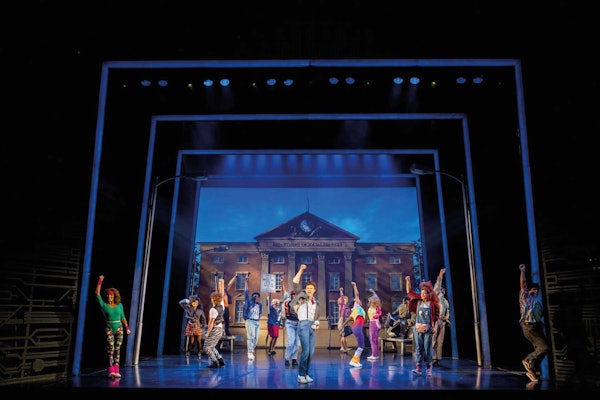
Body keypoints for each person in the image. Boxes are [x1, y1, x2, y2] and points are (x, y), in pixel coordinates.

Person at [95, 275, 131, 379]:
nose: (109, 297)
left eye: (111, 296)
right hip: (109, 328)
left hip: (119, 327)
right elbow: (97, 294)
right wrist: (100, 281)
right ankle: (111, 369)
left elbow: (123, 317)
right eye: (108, 295)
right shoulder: (104, 305)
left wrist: (127, 327)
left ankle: (117, 369)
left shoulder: (120, 305)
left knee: (117, 349)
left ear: (114, 296)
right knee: (110, 349)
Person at [290, 264, 321, 384]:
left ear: (314, 290)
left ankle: (306, 374)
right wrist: (301, 270)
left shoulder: (316, 302)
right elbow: (295, 281)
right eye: (307, 288)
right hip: (303, 325)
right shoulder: (301, 296)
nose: (309, 290)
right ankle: (300, 375)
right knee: (306, 351)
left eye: (311, 288)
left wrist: (316, 323)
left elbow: (317, 317)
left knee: (311, 353)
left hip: (312, 327)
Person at [518, 263, 549, 383]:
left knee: (542, 350)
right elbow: (523, 284)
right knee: (544, 347)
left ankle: (531, 370)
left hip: (536, 328)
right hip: (528, 328)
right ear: (529, 290)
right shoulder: (525, 297)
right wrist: (523, 271)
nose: (536, 291)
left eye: (537, 290)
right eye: (534, 289)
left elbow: (539, 316)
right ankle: (527, 360)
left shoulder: (536, 303)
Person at [405, 275, 440, 376]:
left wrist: (434, 327)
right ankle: (418, 368)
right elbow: (409, 292)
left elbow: (436, 316)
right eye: (422, 293)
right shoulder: (418, 301)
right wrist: (408, 281)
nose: (423, 295)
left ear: (429, 294)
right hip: (418, 328)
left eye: (425, 293)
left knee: (427, 348)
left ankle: (429, 368)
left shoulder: (432, 304)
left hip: (428, 329)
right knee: (418, 348)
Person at [340, 282, 366, 368]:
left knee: (361, 345)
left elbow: (348, 319)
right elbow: (357, 295)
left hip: (355, 327)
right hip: (357, 327)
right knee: (361, 346)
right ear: (355, 302)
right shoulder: (357, 306)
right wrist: (355, 286)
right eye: (358, 300)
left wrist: (342, 325)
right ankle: (354, 361)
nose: (360, 301)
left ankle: (355, 361)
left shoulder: (354, 311)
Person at [179, 294, 207, 364]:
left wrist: (203, 327)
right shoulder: (188, 308)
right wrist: (188, 300)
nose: (195, 303)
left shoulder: (200, 310)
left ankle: (199, 354)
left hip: (198, 326)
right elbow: (181, 302)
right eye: (194, 302)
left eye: (197, 302)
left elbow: (204, 319)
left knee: (199, 341)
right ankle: (187, 353)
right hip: (191, 326)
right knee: (191, 342)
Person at [432, 268, 450, 366]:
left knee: (440, 341)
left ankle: (438, 358)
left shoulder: (445, 301)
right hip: (435, 320)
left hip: (442, 321)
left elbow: (448, 311)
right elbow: (437, 285)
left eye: (444, 290)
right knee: (433, 340)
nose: (443, 291)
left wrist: (447, 317)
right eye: (442, 289)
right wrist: (440, 275)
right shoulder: (435, 297)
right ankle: (433, 358)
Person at [203, 291, 226, 368]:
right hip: (220, 329)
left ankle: (215, 362)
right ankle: (220, 360)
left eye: (212, 298)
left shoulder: (213, 310)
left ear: (214, 299)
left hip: (215, 329)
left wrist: (208, 333)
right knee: (212, 346)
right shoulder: (221, 307)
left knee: (206, 347)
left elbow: (211, 322)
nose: (211, 299)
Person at [280, 276, 300, 367]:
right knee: (291, 341)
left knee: (297, 343)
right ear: (291, 295)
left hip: (298, 324)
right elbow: (283, 291)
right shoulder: (287, 301)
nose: (295, 296)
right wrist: (282, 282)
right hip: (290, 323)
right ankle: (287, 358)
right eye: (293, 295)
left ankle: (294, 358)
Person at [243, 274, 262, 361]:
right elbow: (246, 292)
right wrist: (246, 281)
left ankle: (251, 350)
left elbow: (260, 313)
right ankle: (250, 352)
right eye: (255, 296)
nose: (256, 298)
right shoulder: (249, 302)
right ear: (253, 297)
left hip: (256, 322)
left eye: (257, 297)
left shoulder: (259, 305)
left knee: (256, 338)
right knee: (251, 337)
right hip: (250, 321)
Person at [366, 288, 382, 361]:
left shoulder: (377, 307)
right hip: (372, 323)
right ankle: (375, 354)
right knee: (374, 339)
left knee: (373, 339)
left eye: (371, 300)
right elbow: (376, 298)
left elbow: (378, 299)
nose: (370, 301)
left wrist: (377, 316)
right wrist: (373, 292)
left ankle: (374, 355)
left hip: (374, 323)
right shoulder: (371, 307)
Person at [337, 287, 353, 353]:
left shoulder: (345, 307)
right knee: (343, 335)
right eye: (344, 300)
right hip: (342, 320)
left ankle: (343, 347)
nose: (345, 300)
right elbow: (342, 298)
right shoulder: (342, 306)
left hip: (343, 320)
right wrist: (341, 291)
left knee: (343, 335)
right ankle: (344, 348)